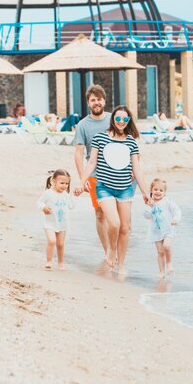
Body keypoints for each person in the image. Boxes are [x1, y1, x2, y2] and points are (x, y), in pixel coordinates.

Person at [74, 105, 151, 275]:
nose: (121, 122)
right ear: (113, 119)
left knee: (125, 228)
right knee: (114, 223)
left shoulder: (131, 141)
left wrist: (146, 192)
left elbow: (137, 169)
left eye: (125, 119)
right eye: (118, 118)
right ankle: (111, 250)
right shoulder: (100, 138)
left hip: (125, 189)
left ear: (129, 120)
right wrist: (81, 182)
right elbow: (92, 162)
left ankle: (121, 264)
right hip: (104, 188)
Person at [73, 84, 112, 262]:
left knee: (118, 215)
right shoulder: (82, 125)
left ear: (104, 100)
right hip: (95, 175)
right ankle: (108, 252)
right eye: (93, 100)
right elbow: (79, 154)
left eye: (99, 99)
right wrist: (83, 180)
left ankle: (119, 248)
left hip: (117, 174)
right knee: (100, 214)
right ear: (89, 103)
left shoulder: (114, 120)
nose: (96, 103)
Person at [37, 169, 75, 270]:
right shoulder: (48, 193)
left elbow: (71, 206)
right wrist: (43, 208)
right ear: (53, 181)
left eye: (67, 183)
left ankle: (60, 263)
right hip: (50, 223)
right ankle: (49, 261)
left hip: (62, 224)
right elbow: (39, 202)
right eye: (62, 183)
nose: (64, 186)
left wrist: (73, 197)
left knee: (60, 244)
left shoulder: (66, 195)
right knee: (51, 241)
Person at [143, 178, 181, 278]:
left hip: (169, 229)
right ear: (151, 190)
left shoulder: (167, 201)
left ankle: (169, 263)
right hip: (156, 231)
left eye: (161, 190)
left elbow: (176, 210)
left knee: (166, 246)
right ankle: (161, 272)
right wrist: (150, 207)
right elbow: (146, 216)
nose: (158, 192)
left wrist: (176, 219)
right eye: (155, 189)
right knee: (160, 252)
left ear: (164, 193)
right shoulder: (150, 202)